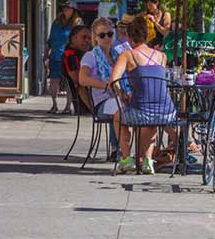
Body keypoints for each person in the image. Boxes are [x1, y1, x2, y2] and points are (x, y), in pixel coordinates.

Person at [108, 15, 177, 175]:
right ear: (147, 36)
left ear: (129, 38)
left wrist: (123, 94)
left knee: (118, 117)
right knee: (151, 116)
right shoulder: (162, 56)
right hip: (167, 112)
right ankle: (147, 160)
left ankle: (126, 158)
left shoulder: (128, 55)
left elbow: (113, 80)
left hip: (142, 112)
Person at [78, 17, 130, 162]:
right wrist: (105, 85)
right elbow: (82, 79)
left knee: (145, 105)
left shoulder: (117, 56)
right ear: (95, 38)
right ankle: (117, 149)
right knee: (119, 108)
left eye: (110, 34)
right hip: (102, 103)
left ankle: (147, 153)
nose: (107, 38)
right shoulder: (91, 56)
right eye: (102, 35)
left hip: (119, 98)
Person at [46, 0, 80, 113]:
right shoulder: (56, 22)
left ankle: (68, 106)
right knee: (53, 81)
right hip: (55, 55)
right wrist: (46, 53)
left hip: (68, 56)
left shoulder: (77, 24)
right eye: (64, 8)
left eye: (68, 8)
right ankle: (54, 105)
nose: (65, 10)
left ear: (73, 10)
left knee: (68, 82)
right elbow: (50, 39)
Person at [61, 24, 93, 111]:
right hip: (85, 104)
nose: (87, 40)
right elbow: (79, 83)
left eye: (89, 38)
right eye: (83, 37)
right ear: (73, 39)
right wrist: (93, 109)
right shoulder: (70, 55)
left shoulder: (84, 54)